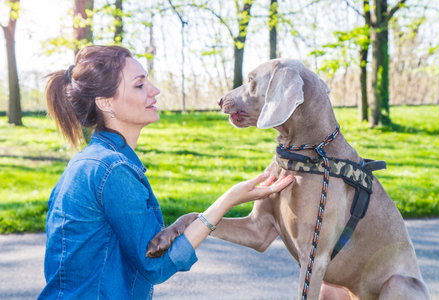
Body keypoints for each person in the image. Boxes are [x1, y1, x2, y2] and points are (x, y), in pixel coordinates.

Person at [38, 45, 294, 299]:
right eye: (139, 85)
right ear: (106, 103)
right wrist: (229, 200)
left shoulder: (90, 162)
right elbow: (156, 265)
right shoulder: (111, 170)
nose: (154, 90)